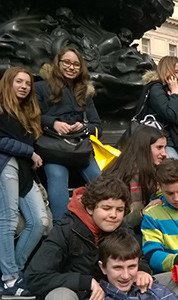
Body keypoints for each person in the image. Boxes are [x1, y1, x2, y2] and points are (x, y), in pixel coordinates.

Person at [25, 175, 153, 300]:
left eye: (119, 210)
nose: (114, 215)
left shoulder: (121, 227)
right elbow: (35, 277)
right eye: (107, 208)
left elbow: (140, 258)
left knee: (172, 277)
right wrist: (84, 282)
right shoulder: (67, 230)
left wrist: (142, 270)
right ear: (90, 208)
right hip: (80, 293)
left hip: (115, 292)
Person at [35, 46, 102, 221]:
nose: (71, 67)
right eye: (67, 62)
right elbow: (31, 116)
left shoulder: (85, 92)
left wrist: (84, 128)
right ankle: (62, 228)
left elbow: (98, 126)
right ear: (58, 63)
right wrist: (54, 123)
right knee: (57, 177)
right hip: (53, 147)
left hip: (79, 145)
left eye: (76, 64)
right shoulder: (41, 87)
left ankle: (100, 221)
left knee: (99, 180)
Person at [0, 66, 49, 298]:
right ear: (8, 82)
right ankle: (10, 278)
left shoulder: (28, 113)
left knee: (40, 222)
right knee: (8, 221)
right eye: (19, 82)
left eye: (28, 84)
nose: (24, 87)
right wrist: (29, 152)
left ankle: (12, 272)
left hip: (25, 173)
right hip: (6, 165)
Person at [103, 126, 167, 230]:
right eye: (159, 148)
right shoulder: (128, 176)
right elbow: (117, 222)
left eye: (165, 148)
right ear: (144, 147)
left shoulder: (154, 172)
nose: (164, 154)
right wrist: (143, 212)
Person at [97, 229, 178, 300]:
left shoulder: (158, 292)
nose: (125, 276)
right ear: (103, 267)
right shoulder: (95, 297)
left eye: (131, 266)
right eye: (118, 268)